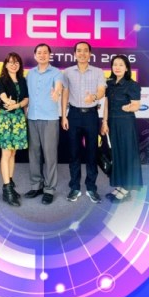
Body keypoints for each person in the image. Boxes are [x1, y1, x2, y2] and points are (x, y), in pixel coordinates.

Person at [62, 41, 106, 203]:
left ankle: (91, 187)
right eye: (79, 51)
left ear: (90, 54)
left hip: (91, 116)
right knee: (74, 153)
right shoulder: (67, 72)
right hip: (73, 114)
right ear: (74, 54)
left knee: (92, 153)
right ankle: (74, 187)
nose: (82, 53)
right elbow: (65, 94)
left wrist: (93, 97)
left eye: (85, 51)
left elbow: (101, 91)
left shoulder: (98, 72)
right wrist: (64, 116)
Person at [23, 43, 64, 205]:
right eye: (39, 52)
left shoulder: (56, 72)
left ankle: (49, 189)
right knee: (34, 154)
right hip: (32, 118)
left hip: (49, 119)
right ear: (35, 55)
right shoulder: (30, 74)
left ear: (49, 55)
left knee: (50, 155)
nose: (42, 55)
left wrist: (57, 92)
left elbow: (59, 86)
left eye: (45, 52)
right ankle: (36, 186)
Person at [103, 55, 142, 203]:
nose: (117, 67)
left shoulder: (132, 85)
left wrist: (128, 107)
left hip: (126, 123)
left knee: (127, 154)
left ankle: (127, 188)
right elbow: (106, 105)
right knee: (117, 154)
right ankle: (120, 185)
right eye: (115, 64)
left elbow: (136, 105)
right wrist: (104, 122)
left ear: (126, 68)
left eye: (121, 64)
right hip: (112, 123)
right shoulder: (110, 84)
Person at [0, 52, 30, 207]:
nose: (13, 65)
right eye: (10, 62)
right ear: (6, 64)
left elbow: (26, 99)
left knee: (13, 152)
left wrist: (16, 105)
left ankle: (9, 183)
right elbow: (2, 96)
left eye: (16, 62)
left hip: (18, 118)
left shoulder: (22, 80)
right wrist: (7, 101)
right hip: (6, 118)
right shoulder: (1, 80)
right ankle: (7, 189)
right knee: (6, 153)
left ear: (19, 65)